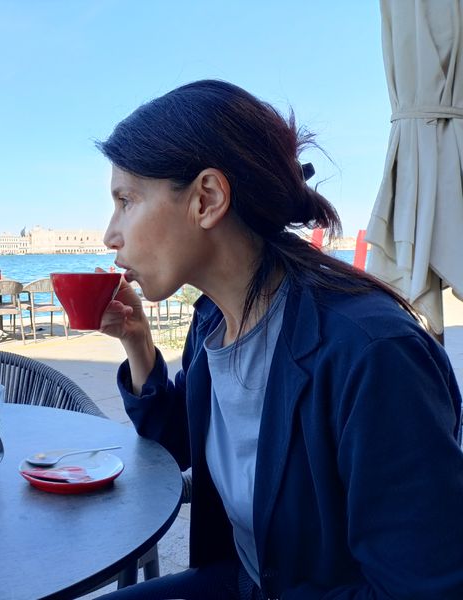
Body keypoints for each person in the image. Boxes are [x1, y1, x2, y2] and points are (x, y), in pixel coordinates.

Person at [96, 80, 463, 599]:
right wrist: (137, 341)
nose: (110, 234)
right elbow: (179, 443)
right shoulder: (212, 320)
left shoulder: (372, 354)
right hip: (245, 581)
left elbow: (425, 588)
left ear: (207, 198)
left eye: (125, 200)